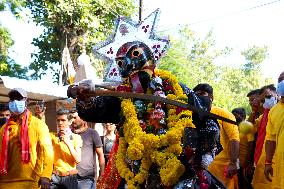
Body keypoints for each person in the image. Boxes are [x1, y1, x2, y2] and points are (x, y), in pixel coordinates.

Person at [0, 88, 53, 189]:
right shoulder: (4, 128)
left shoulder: (38, 124)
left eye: (19, 99)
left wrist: (46, 175)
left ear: (26, 102)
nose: (15, 102)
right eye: (12, 99)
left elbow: (47, 151)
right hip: (5, 182)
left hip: (30, 181)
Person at [193, 83, 240, 189]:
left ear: (211, 97)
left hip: (222, 171)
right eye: (196, 95)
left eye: (202, 94)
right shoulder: (193, 114)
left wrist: (234, 164)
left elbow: (234, 138)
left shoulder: (223, 113)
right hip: (200, 170)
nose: (199, 97)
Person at [252, 84, 277, 189]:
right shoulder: (264, 115)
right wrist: (254, 110)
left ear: (277, 93)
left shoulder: (279, 111)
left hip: (276, 161)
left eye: (268, 96)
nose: (266, 101)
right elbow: (249, 128)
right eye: (262, 100)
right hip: (263, 161)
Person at [71, 110, 105, 189]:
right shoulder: (68, 134)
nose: (73, 120)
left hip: (86, 178)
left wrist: (101, 174)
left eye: (75, 117)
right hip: (71, 177)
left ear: (83, 119)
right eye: (71, 118)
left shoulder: (92, 133)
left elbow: (100, 155)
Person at [50, 109, 82, 189]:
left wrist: (68, 143)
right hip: (55, 177)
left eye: (63, 120)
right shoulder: (52, 137)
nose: (60, 123)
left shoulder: (76, 137)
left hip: (70, 177)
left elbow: (78, 160)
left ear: (70, 122)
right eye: (58, 120)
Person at [264, 71, 284, 189]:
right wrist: (268, 162)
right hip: (280, 167)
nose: (282, 82)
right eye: (280, 80)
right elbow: (271, 138)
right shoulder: (274, 111)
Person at [232, 107, 254, 189]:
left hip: (245, 162)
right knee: (238, 182)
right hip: (236, 162)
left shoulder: (248, 128)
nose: (235, 118)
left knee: (245, 183)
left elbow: (251, 147)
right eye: (233, 116)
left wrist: (247, 163)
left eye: (236, 116)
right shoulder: (234, 128)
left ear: (243, 116)